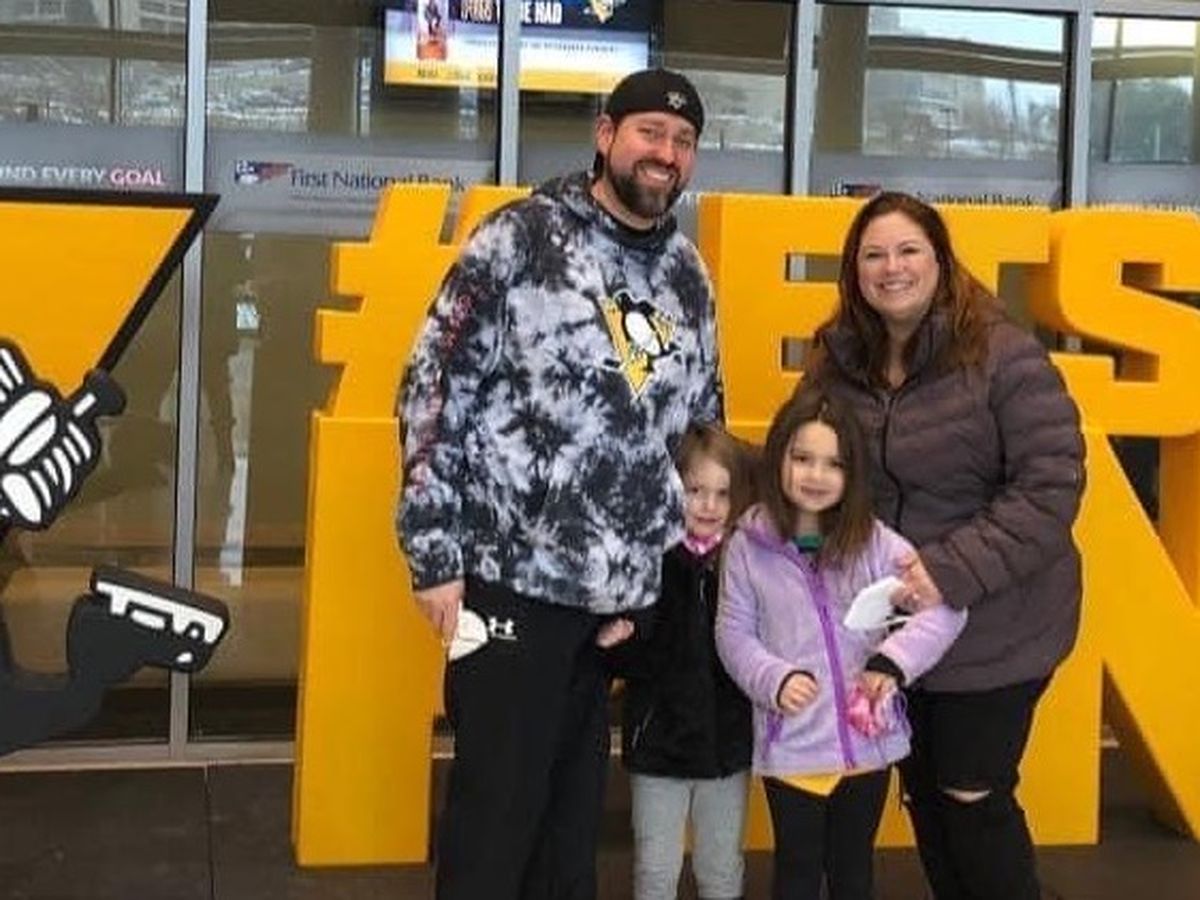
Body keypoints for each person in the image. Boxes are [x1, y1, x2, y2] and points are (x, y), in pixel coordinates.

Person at [396, 67, 721, 900]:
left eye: (683, 141)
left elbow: (698, 426)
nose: (666, 153)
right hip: (511, 580)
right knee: (495, 820)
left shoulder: (687, 273)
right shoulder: (521, 237)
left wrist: (661, 574)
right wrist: (433, 555)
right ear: (606, 135)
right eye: (650, 132)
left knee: (571, 834)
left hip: (616, 604)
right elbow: (434, 388)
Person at [806, 190, 1085, 900]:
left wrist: (949, 571)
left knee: (970, 791)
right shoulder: (837, 358)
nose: (891, 267)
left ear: (940, 260)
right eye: (873, 255)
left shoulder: (1003, 354)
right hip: (902, 631)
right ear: (854, 271)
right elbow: (801, 458)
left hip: (1000, 623)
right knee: (926, 793)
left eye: (908, 250)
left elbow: (1051, 486)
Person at [715, 385, 966, 900]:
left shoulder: (878, 544)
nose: (815, 475)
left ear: (853, 475)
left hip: (867, 745)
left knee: (853, 873)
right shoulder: (746, 545)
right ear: (778, 457)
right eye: (802, 458)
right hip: (793, 747)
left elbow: (946, 608)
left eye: (834, 464)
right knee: (797, 873)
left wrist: (892, 662)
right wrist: (774, 679)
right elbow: (733, 633)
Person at [600, 423, 754, 900]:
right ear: (672, 491)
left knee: (721, 869)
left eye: (722, 494)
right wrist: (618, 640)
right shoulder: (649, 562)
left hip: (726, 749)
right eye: (695, 491)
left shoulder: (745, 563)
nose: (709, 505)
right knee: (655, 870)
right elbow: (628, 661)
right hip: (659, 748)